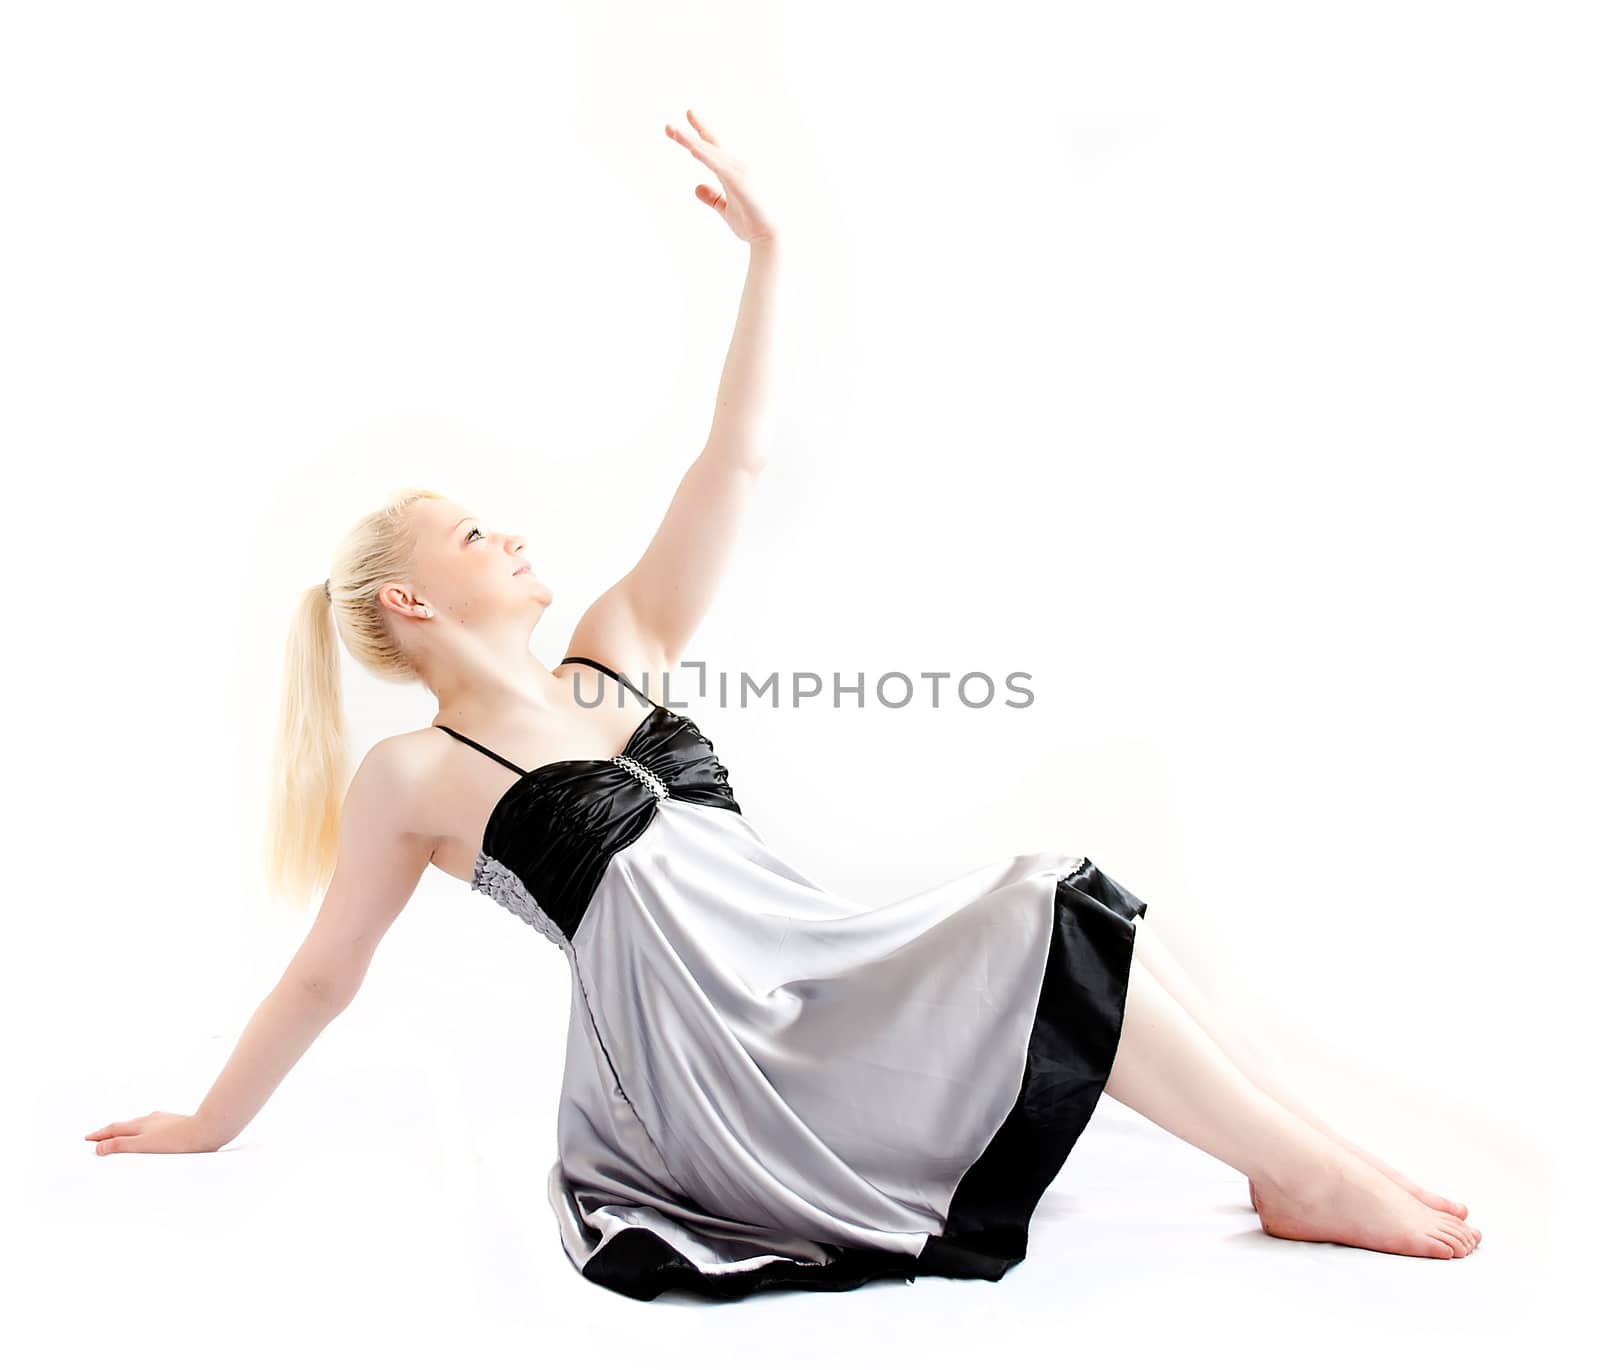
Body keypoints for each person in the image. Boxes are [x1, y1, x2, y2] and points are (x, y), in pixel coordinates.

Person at [84, 109, 1479, 1300]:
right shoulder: (415, 772)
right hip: (720, 1076)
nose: (512, 540)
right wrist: (208, 1124)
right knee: (1039, 900)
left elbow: (733, 464)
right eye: (473, 536)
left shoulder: (613, 649)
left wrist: (771, 256)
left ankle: (1302, 1155)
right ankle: (1305, 1172)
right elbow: (327, 972)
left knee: (1070, 892)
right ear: (410, 603)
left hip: (812, 983)